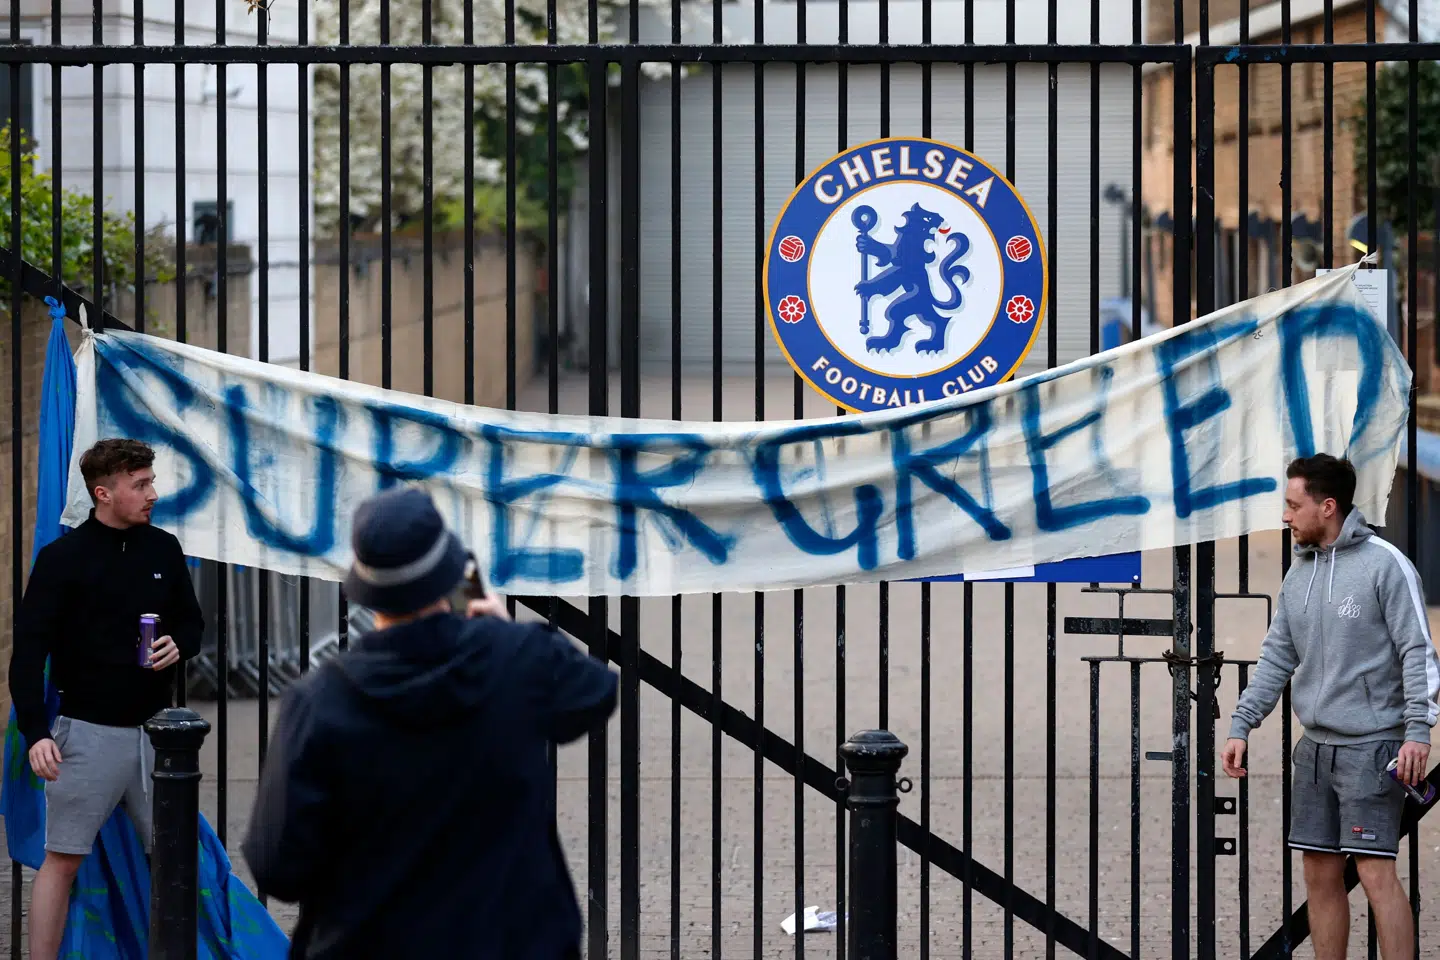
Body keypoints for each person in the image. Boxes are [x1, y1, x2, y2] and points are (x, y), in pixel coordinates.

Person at [242, 485, 618, 959]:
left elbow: (277, 865)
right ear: (452, 575)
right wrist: (501, 624)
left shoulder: (319, 701)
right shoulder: (517, 658)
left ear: (365, 586)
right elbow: (594, 693)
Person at [1222, 453, 1440, 960]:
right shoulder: (1299, 574)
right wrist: (1242, 724)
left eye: (1293, 505)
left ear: (1327, 506)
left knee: (1374, 871)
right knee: (1319, 874)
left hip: (1373, 748)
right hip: (1315, 750)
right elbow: (1278, 655)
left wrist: (1418, 731)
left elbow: (1418, 652)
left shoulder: (1386, 565)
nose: (1284, 515)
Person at [8, 438, 204, 960]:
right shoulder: (62, 559)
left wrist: (178, 644)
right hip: (87, 732)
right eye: (139, 484)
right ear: (104, 492)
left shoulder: (164, 548)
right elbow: (28, 653)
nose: (152, 493)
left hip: (161, 737)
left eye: (151, 481)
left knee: (174, 858)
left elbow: (193, 623)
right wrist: (36, 734)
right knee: (63, 860)